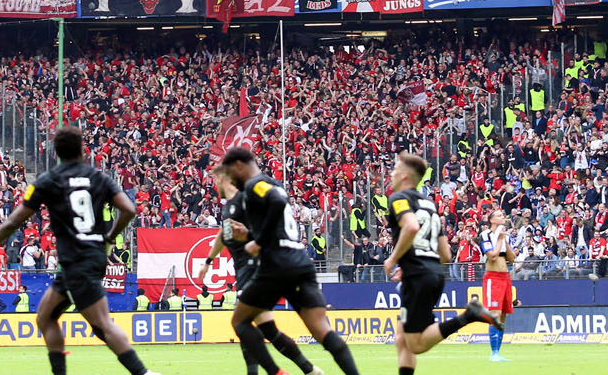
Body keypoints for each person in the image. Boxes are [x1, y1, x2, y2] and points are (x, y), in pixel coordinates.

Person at [0, 126, 158, 375]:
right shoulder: (98, 177)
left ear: (56, 152)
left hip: (76, 258)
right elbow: (129, 209)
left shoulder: (49, 181)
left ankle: (143, 373)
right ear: (82, 150)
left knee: (101, 325)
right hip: (90, 256)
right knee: (46, 316)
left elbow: (12, 222)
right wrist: (109, 237)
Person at [219, 146, 360, 375]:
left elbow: (277, 202)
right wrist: (250, 235)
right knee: (323, 332)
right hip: (301, 263)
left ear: (238, 166)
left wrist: (258, 241)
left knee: (240, 321)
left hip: (277, 265)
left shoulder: (257, 184)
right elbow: (277, 220)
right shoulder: (272, 184)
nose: (233, 181)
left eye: (232, 174)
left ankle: (275, 372)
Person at [196, 165, 322, 375]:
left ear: (222, 178)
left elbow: (269, 225)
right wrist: (208, 260)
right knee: (267, 330)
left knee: (243, 324)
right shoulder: (229, 207)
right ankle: (309, 370)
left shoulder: (247, 200)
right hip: (244, 270)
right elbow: (224, 233)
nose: (212, 184)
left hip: (255, 269)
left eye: (214, 179)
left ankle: (274, 372)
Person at [384, 152, 502, 374]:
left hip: (417, 277)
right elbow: (446, 254)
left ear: (406, 176)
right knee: (401, 336)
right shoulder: (429, 205)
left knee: (415, 344)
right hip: (434, 273)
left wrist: (393, 259)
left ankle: (468, 316)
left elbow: (410, 227)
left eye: (395, 169)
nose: (391, 173)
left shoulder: (398, 199)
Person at [480, 209, 520, 361]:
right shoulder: (486, 235)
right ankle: (493, 353)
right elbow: (492, 256)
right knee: (495, 314)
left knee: (503, 316)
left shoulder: (503, 236)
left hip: (505, 277)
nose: (503, 217)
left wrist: (504, 241)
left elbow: (512, 259)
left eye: (503, 215)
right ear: (491, 220)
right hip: (493, 278)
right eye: (499, 215)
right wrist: (499, 240)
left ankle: (498, 351)